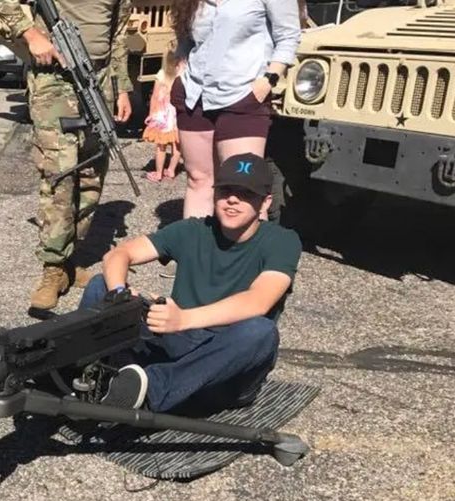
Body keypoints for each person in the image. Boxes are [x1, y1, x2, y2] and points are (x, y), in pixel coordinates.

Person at [79, 153, 301, 413]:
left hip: (226, 366)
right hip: (177, 343)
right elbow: (119, 254)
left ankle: (148, 392)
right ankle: (83, 367)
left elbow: (258, 301)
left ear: (265, 202)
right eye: (226, 190)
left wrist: (182, 319)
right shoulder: (193, 230)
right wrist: (120, 293)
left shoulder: (282, 241)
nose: (232, 199)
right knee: (99, 286)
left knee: (260, 333)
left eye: (246, 194)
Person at [0, 0, 134, 311]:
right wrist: (30, 33)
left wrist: (121, 87)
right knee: (60, 176)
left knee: (92, 175)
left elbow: (118, 32)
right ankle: (53, 269)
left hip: (99, 81)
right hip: (54, 80)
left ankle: (71, 258)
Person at [171, 0, 301, 218]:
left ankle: (246, 251)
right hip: (195, 96)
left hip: (242, 96)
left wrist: (268, 79)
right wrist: (180, 69)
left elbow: (288, 36)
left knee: (244, 185)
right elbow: (186, 38)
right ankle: (195, 249)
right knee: (198, 179)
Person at [142, 48, 181, 183]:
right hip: (178, 113)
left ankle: (158, 173)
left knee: (161, 146)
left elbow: (154, 96)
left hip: (163, 114)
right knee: (177, 145)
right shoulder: (182, 73)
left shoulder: (161, 74)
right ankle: (171, 169)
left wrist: (151, 114)